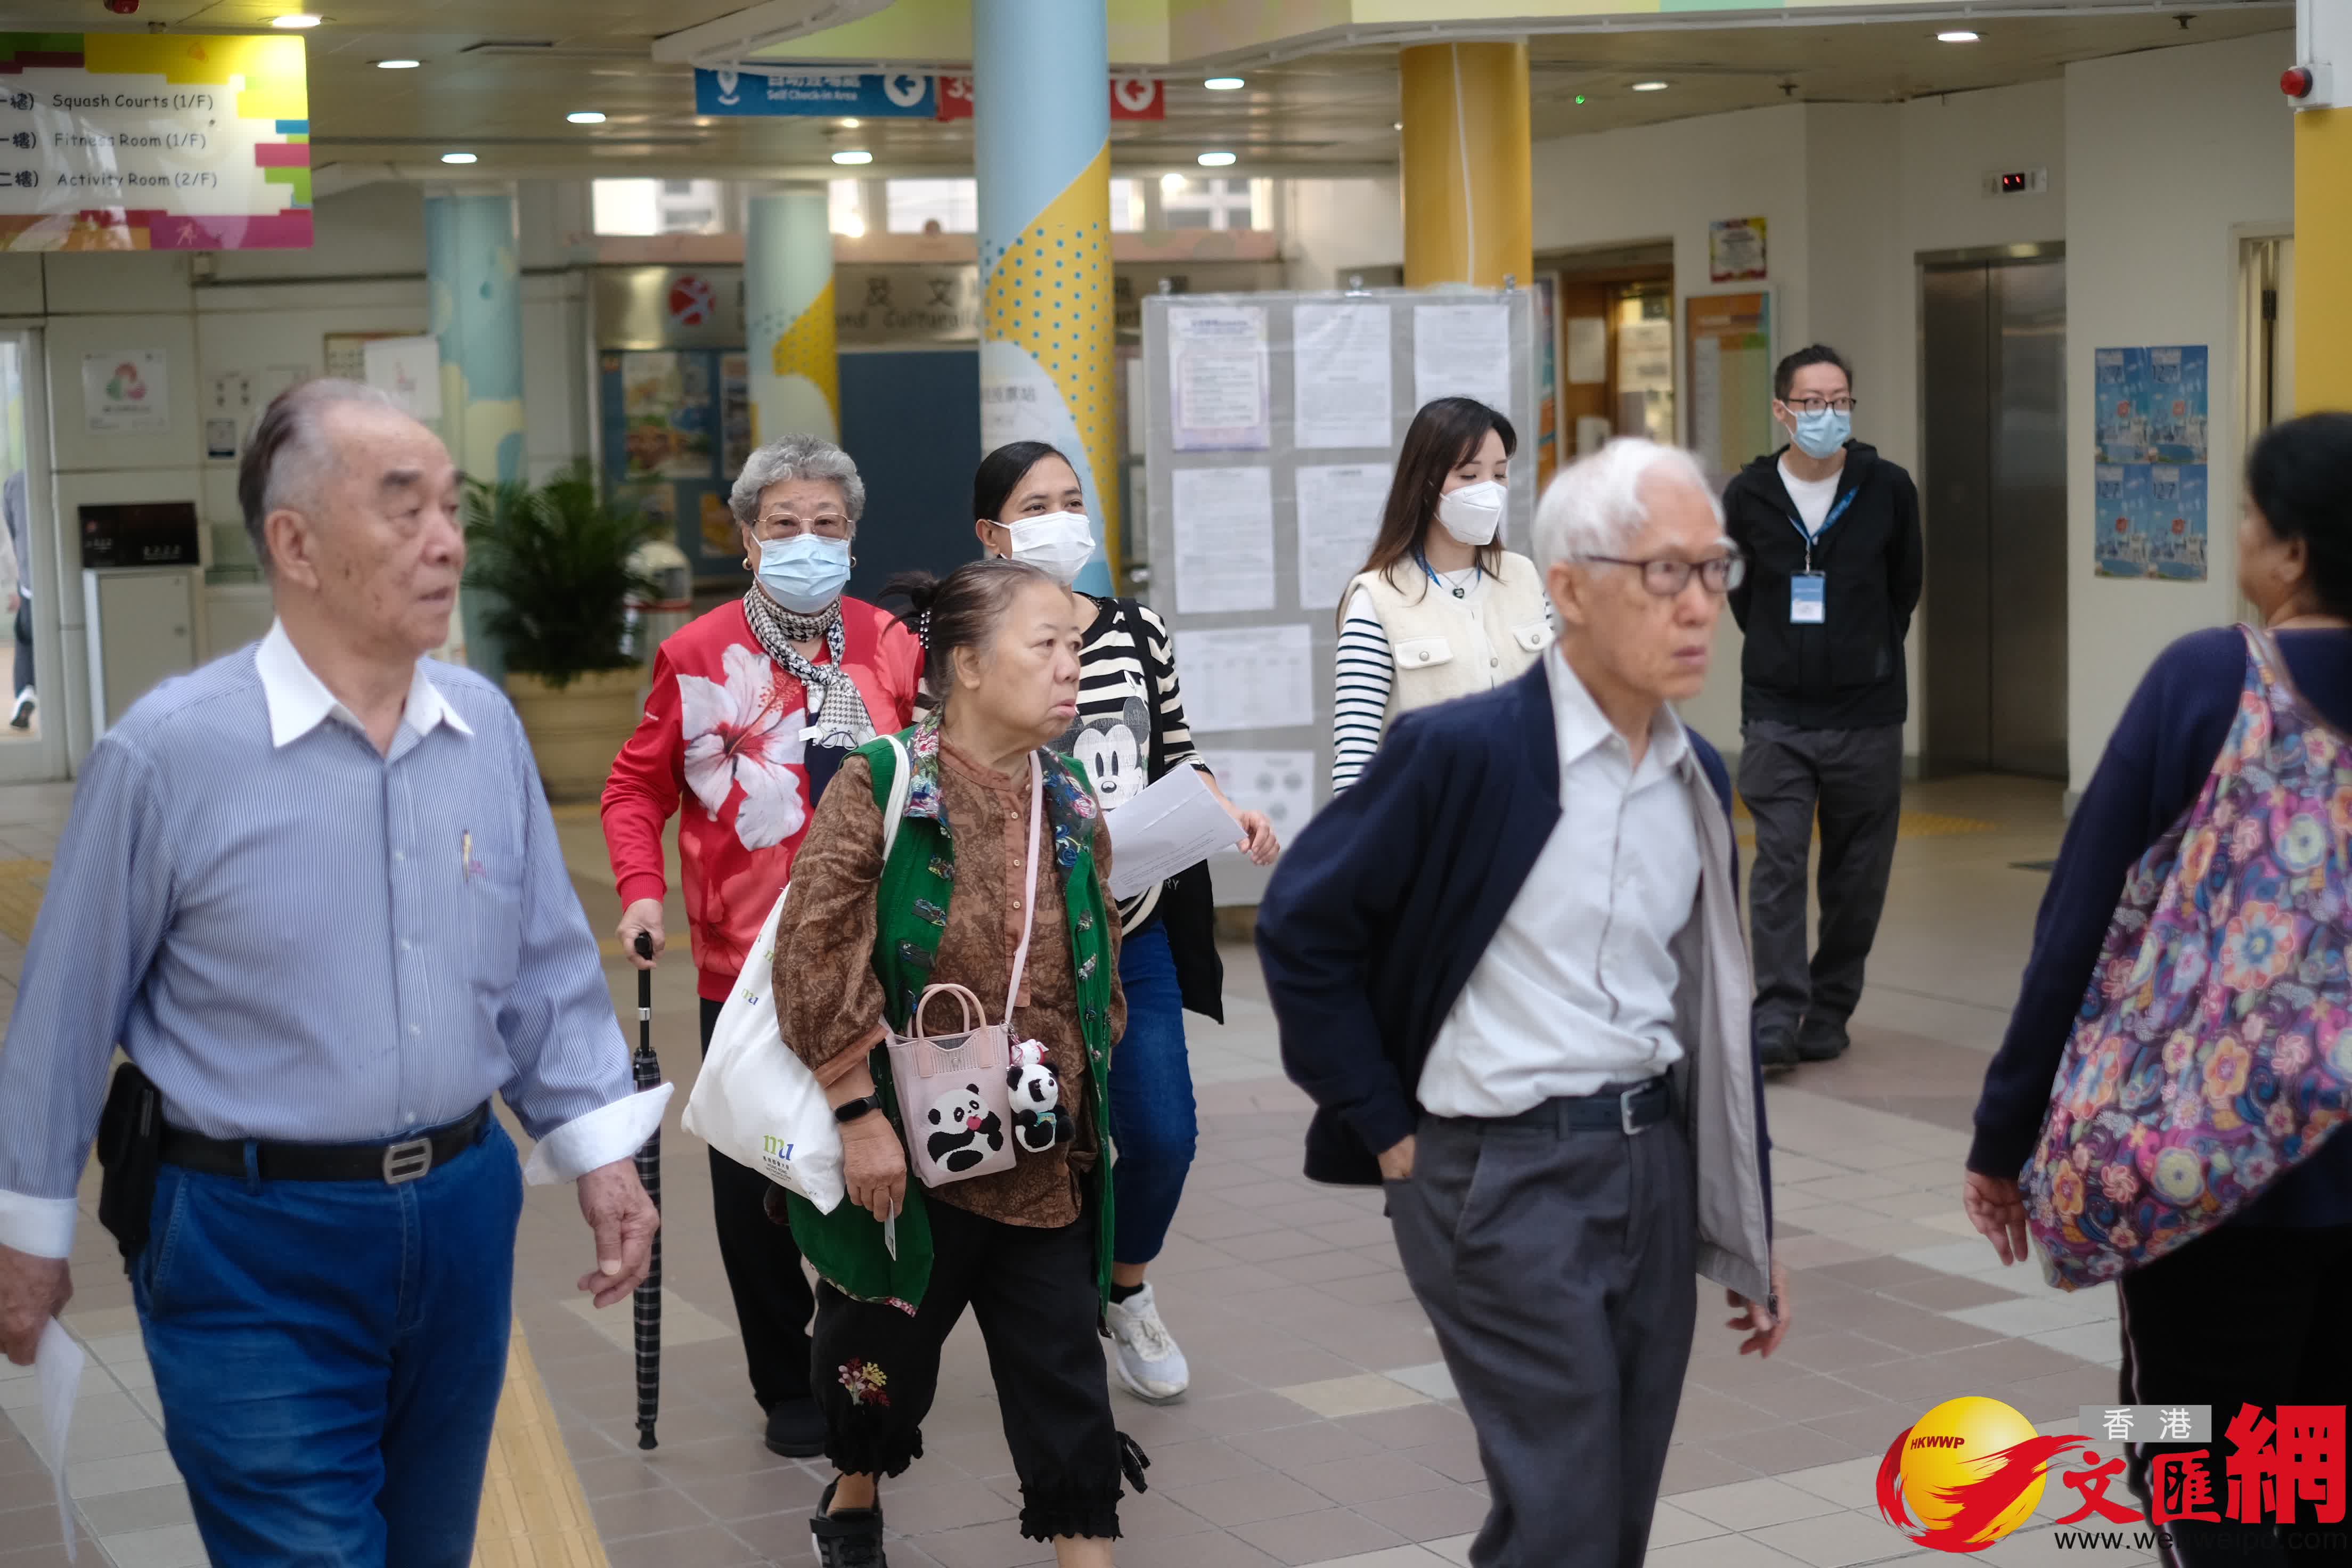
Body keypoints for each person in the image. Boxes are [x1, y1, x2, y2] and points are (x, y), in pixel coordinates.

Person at [0, 379, 664, 1566]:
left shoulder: (482, 726)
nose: (448, 541)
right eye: (403, 508)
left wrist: (601, 1148)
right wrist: (27, 1230)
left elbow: (543, 967)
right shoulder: (168, 753)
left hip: (461, 1213)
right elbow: (64, 1005)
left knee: (426, 1549)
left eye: (452, 508)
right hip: (248, 1234)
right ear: (294, 542)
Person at [1258, 437, 1787, 1568]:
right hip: (1497, 1174)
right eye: (1665, 572)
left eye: (1716, 570)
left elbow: (1708, 1004)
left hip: (1650, 1165)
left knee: (1620, 1504)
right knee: (1565, 1511)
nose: (1700, 605)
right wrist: (1386, 1128)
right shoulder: (1464, 752)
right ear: (1570, 589)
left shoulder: (1697, 773)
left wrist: (1750, 1221)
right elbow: (1303, 923)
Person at [1965, 412, 2352, 1566]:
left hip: (2210, 1179)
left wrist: (2005, 1133)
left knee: (2194, 1460)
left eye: (2247, 514)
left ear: (2290, 552)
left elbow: (2078, 923)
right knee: (2320, 1462)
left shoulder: (2210, 676)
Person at [777, 558, 1136, 1568]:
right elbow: (812, 951)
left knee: (1065, 1380)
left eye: (1077, 644)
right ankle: (853, 1496)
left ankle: (1085, 1551)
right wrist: (858, 1116)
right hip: (905, 1154)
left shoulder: (1067, 795)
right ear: (968, 665)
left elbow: (1097, 952)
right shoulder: (885, 779)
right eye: (1048, 644)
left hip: (1037, 1148)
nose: (1074, 666)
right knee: (880, 1365)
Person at [603, 432, 922, 1457]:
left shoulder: (891, 645)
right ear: (747, 540)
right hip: (743, 962)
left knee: (878, 1165)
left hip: (879, 956)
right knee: (757, 1177)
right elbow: (633, 788)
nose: (807, 542)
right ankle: (785, 1380)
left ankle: (864, 1371)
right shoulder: (697, 656)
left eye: (828, 525)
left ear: (854, 538)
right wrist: (644, 893)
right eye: (784, 525)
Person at [972, 440, 1277, 1403]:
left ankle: (1125, 1286)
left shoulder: (1139, 632)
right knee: (1042, 1137)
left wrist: (1225, 809)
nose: (1063, 517)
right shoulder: (962, 634)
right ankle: (1044, 1312)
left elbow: (1178, 749)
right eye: (1037, 503)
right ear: (994, 533)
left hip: (1129, 927)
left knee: (1162, 1132)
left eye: (1073, 499)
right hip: (1020, 944)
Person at [1723, 344, 1923, 1068]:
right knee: (1776, 862)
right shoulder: (1746, 497)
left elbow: (1904, 588)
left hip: (1868, 714)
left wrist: (1862, 655)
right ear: (1782, 410)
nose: (1826, 414)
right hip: (1777, 712)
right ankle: (1776, 1013)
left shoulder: (1888, 488)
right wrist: (1785, 654)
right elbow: (1742, 593)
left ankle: (1830, 1006)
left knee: (1856, 873)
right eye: (1811, 403)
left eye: (1839, 400)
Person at [1331, 397, 1550, 792]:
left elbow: (1563, 709)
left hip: (1533, 822)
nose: (1489, 490)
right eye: (1468, 476)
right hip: (1432, 834)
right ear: (1425, 482)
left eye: (1500, 475)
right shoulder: (1377, 598)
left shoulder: (1526, 578)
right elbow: (1354, 760)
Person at [4, 468, 30, 731]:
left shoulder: (14, 483)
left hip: (30, 580)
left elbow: (10, 539)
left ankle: (25, 693)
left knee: (26, 638)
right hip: (61, 582)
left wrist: (15, 584)